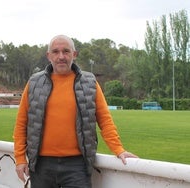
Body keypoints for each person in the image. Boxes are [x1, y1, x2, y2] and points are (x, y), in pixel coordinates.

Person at [13, 34, 138, 188]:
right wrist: (20, 159)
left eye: (66, 51)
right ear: (48, 56)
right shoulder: (34, 83)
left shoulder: (89, 82)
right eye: (56, 52)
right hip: (41, 166)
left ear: (74, 54)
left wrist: (119, 150)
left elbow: (105, 120)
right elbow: (21, 123)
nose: (61, 56)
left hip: (77, 166)